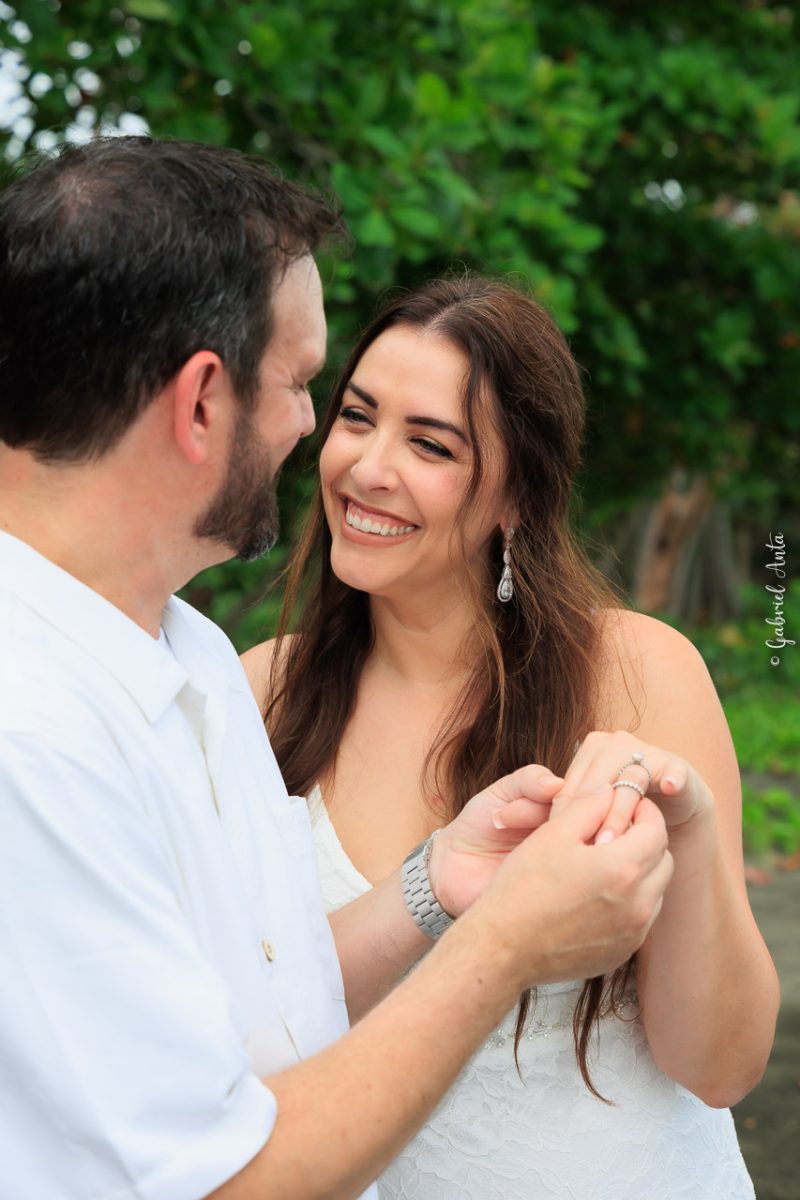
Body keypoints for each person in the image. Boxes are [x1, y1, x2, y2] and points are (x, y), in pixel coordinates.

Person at [0, 138, 675, 1200]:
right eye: (310, 386)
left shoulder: (184, 651)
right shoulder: (27, 738)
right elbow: (220, 1183)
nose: (317, 433)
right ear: (200, 403)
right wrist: (501, 946)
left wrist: (437, 882)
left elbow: (261, 997)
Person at [243, 275, 780, 1199]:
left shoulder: (635, 673)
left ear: (516, 499)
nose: (369, 467)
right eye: (357, 417)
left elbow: (722, 1065)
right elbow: (237, 1033)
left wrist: (687, 835)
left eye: (430, 444)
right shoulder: (257, 695)